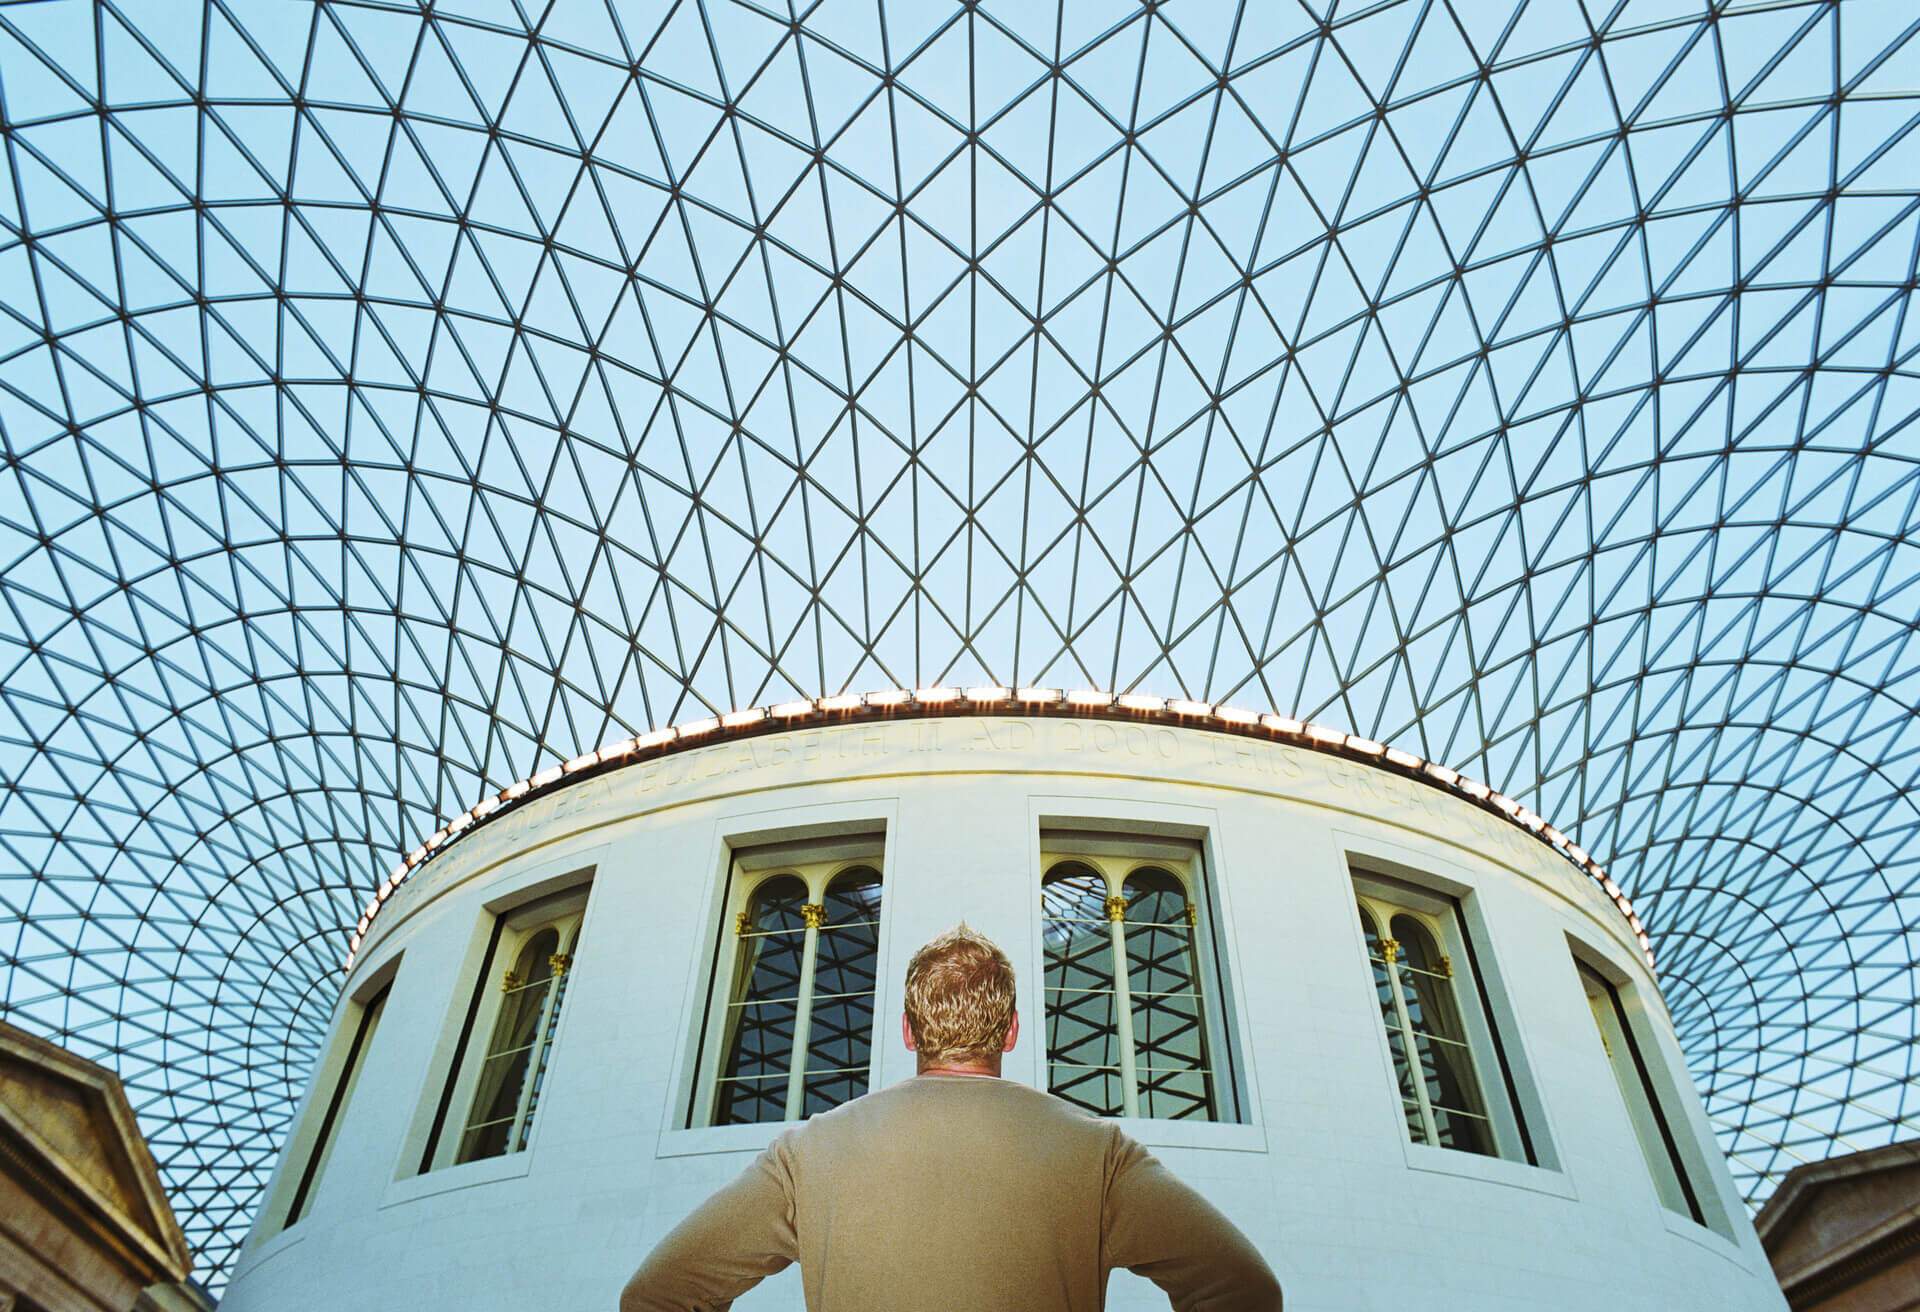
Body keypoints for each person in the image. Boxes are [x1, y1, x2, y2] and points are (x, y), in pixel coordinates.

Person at [619, 923, 1282, 1311]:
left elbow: (654, 1296)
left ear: (908, 1032)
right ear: (1014, 1030)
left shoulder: (806, 1155)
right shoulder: (1099, 1154)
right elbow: (1248, 1289)